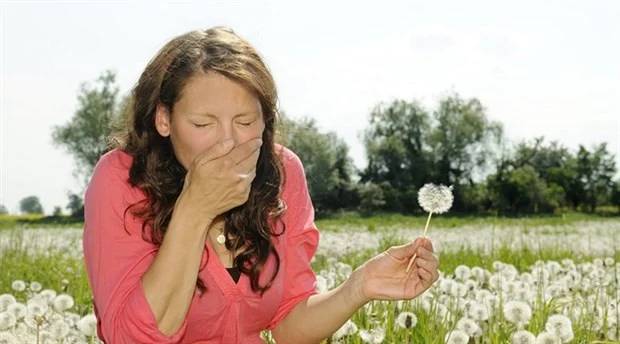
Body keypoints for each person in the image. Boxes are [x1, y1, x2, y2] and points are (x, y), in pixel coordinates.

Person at [82, 26, 440, 344]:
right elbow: (132, 337)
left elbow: (288, 325)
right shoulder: (121, 179)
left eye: (245, 121)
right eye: (203, 124)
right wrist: (195, 210)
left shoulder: (282, 172)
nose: (228, 143)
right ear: (164, 119)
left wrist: (358, 288)